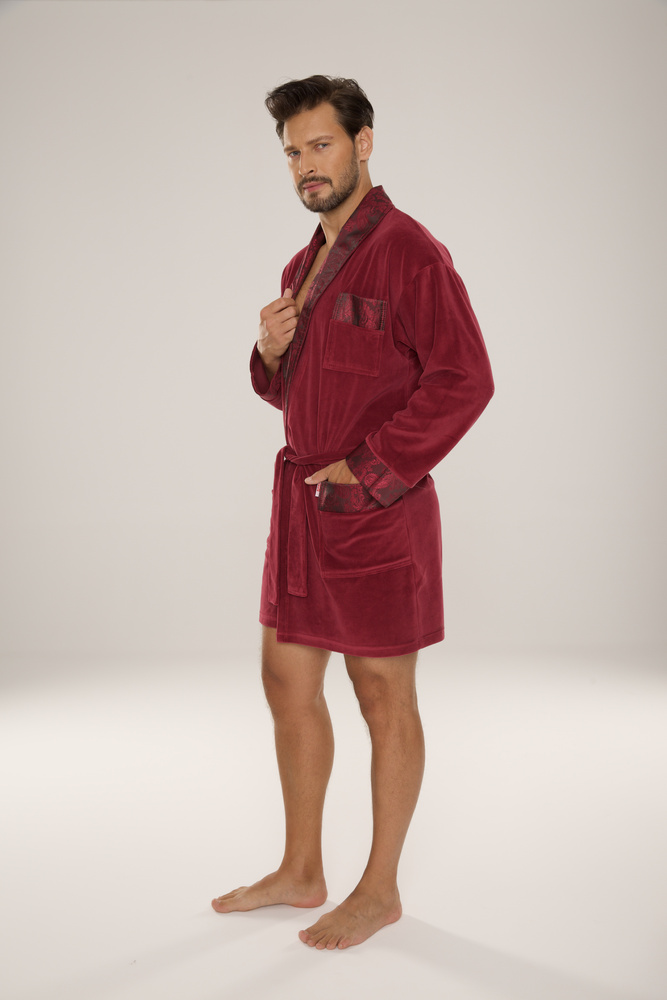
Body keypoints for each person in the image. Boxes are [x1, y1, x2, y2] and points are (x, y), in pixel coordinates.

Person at [212, 75, 494, 950]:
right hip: (303, 508)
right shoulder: (299, 268)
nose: (306, 164)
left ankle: (379, 888)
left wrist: (369, 471)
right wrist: (270, 355)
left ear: (363, 143)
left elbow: (464, 380)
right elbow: (300, 394)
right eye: (292, 151)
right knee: (285, 682)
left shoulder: (411, 253)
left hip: (377, 510)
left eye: (321, 144)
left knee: (381, 694)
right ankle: (302, 869)